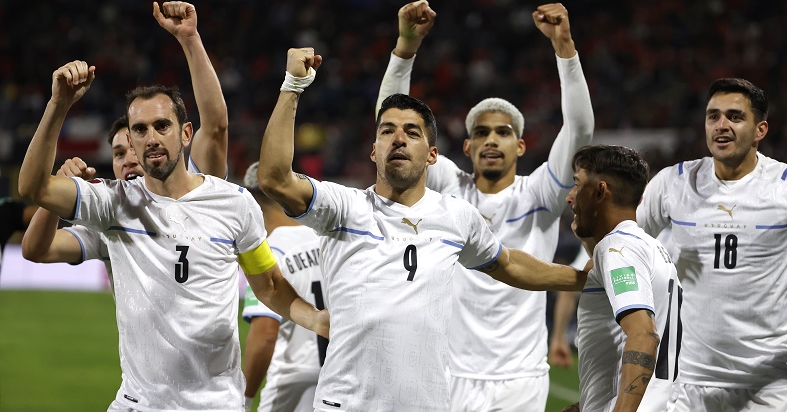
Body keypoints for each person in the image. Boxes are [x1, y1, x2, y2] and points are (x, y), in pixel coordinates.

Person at [258, 47, 588, 411]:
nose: (398, 138)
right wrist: (293, 86)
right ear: (374, 150)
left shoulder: (456, 216)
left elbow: (509, 264)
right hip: (346, 403)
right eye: (387, 131)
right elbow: (274, 178)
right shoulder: (343, 208)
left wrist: (582, 280)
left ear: (432, 155)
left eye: (412, 132)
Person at [18, 60, 328, 411]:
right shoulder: (114, 203)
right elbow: (33, 187)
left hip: (213, 404)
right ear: (131, 141)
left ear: (185, 133)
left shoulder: (233, 203)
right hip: (138, 403)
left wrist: (315, 318)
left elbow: (269, 285)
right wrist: (58, 104)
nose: (151, 138)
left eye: (161, 126)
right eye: (140, 129)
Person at [375, 0, 594, 410]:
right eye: (482, 133)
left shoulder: (540, 194)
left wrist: (564, 47)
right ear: (467, 146)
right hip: (449, 372)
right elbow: (392, 121)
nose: (492, 140)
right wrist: (405, 48)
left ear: (521, 145)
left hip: (521, 376)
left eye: (504, 132)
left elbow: (580, 128)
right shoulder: (448, 187)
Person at [21, 0, 228, 270]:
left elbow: (214, 126)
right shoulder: (111, 215)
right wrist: (53, 196)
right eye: (119, 153)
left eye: (132, 150)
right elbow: (36, 250)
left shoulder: (200, 193)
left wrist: (189, 39)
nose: (128, 159)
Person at [636, 78, 787, 411]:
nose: (721, 125)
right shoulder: (674, 182)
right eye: (713, 116)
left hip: (765, 386)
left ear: (761, 130)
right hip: (689, 384)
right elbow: (622, 245)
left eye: (734, 116)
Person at [565, 144, 681, 412]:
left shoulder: (617, 248)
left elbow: (644, 335)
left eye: (577, 184)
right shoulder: (652, 248)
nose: (570, 197)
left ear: (600, 191)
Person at [240, 161, 325, 412]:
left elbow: (265, 334)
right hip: (336, 380)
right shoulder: (328, 239)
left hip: (291, 386)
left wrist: (244, 399)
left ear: (253, 204)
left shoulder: (269, 252)